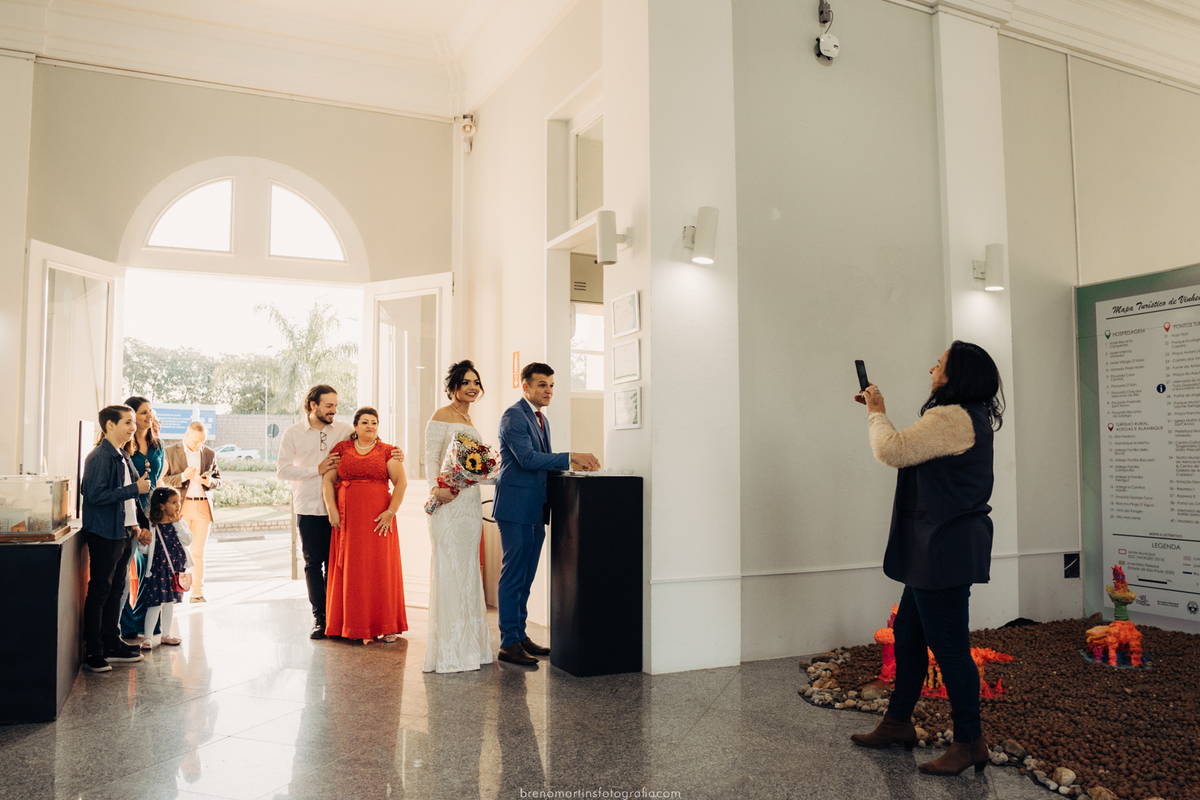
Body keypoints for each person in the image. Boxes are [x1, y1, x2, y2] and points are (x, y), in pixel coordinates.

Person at [849, 341, 1004, 776]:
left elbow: (893, 450)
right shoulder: (967, 416)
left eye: (938, 364)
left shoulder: (951, 417)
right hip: (939, 546)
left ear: (955, 375)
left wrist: (875, 410)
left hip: (941, 548)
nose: (931, 369)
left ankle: (970, 742)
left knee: (951, 649)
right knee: (909, 636)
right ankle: (897, 723)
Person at [492, 363, 600, 666]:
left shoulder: (541, 419)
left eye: (551, 385)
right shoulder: (513, 416)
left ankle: (520, 635)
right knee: (513, 575)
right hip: (515, 508)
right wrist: (571, 457)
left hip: (536, 508)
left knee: (526, 577)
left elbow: (543, 464)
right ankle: (507, 642)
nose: (548, 390)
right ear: (525, 387)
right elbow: (526, 459)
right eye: (541, 385)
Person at [277, 384, 404, 640]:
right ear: (313, 405)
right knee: (314, 563)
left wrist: (398, 453)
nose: (334, 410)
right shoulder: (292, 433)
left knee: (338, 566)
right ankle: (320, 619)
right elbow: (282, 471)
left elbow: (371, 443)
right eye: (329, 406)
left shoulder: (345, 430)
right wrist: (317, 468)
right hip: (310, 507)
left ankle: (339, 619)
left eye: (335, 405)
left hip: (346, 513)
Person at [422, 360, 494, 673]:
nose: (472, 387)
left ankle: (472, 649)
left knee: (468, 569)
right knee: (449, 568)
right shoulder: (440, 416)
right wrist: (435, 489)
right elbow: (430, 458)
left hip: (469, 501)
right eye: (466, 382)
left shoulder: (470, 420)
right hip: (446, 500)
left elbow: (472, 465)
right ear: (453, 386)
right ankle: (449, 652)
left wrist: (488, 472)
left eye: (476, 382)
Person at [322, 407, 409, 643]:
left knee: (380, 569)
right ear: (356, 426)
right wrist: (332, 511)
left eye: (374, 422)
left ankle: (387, 624)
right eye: (364, 422)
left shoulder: (388, 451)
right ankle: (349, 624)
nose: (370, 426)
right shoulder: (342, 449)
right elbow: (328, 480)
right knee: (351, 569)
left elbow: (401, 483)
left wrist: (391, 512)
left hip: (379, 521)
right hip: (347, 520)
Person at [81, 405, 151, 672]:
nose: (133, 427)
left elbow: (129, 499)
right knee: (99, 592)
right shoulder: (100, 457)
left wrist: (135, 525)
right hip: (104, 534)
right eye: (127, 422)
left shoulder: (122, 455)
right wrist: (135, 487)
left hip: (122, 533)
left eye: (134, 422)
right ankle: (94, 652)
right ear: (109, 425)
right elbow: (95, 496)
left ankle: (112, 643)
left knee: (116, 591)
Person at [119, 396, 166, 641]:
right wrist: (139, 524)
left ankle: (148, 627)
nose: (149, 417)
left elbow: (158, 481)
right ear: (132, 417)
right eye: (143, 412)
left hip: (153, 516)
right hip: (131, 517)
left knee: (151, 572)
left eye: (150, 412)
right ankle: (126, 628)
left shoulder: (158, 445)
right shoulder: (125, 447)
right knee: (129, 574)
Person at [164, 421, 222, 603]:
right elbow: (163, 480)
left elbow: (219, 480)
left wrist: (210, 482)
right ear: (187, 435)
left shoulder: (209, 453)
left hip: (203, 506)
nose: (200, 445)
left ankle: (197, 593)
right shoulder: (170, 451)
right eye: (197, 441)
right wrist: (183, 477)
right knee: (176, 550)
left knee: (198, 552)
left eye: (202, 442)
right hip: (181, 507)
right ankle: (175, 592)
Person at [139, 487, 193, 650]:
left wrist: (177, 524)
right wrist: (143, 543)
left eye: (179, 502)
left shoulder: (179, 522)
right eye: (174, 502)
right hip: (157, 571)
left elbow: (187, 540)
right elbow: (145, 551)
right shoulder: (151, 525)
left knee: (169, 602)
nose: (178, 505)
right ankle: (148, 638)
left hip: (174, 570)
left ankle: (166, 634)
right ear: (162, 505)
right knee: (154, 604)